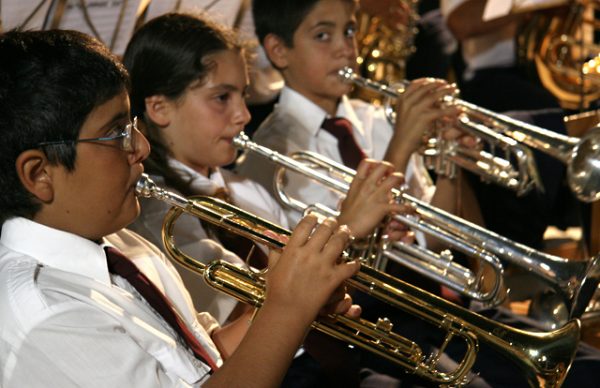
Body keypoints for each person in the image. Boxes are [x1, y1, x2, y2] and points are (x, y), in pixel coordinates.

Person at [0, 28, 361, 387]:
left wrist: (290, 302)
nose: (141, 147)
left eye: (133, 125)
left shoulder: (125, 246)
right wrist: (289, 307)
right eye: (116, 133)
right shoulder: (46, 313)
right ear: (39, 173)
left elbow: (203, 361)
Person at [122, 12, 408, 325]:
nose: (243, 115)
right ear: (159, 108)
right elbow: (243, 315)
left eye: (243, 95)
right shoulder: (157, 217)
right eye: (221, 97)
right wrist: (347, 228)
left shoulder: (246, 190)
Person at [236, 0, 482, 240]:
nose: (345, 47)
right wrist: (402, 145)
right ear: (278, 51)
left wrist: (450, 162)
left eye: (349, 31)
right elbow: (335, 259)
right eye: (322, 35)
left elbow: (433, 241)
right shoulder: (271, 154)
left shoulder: (375, 119)